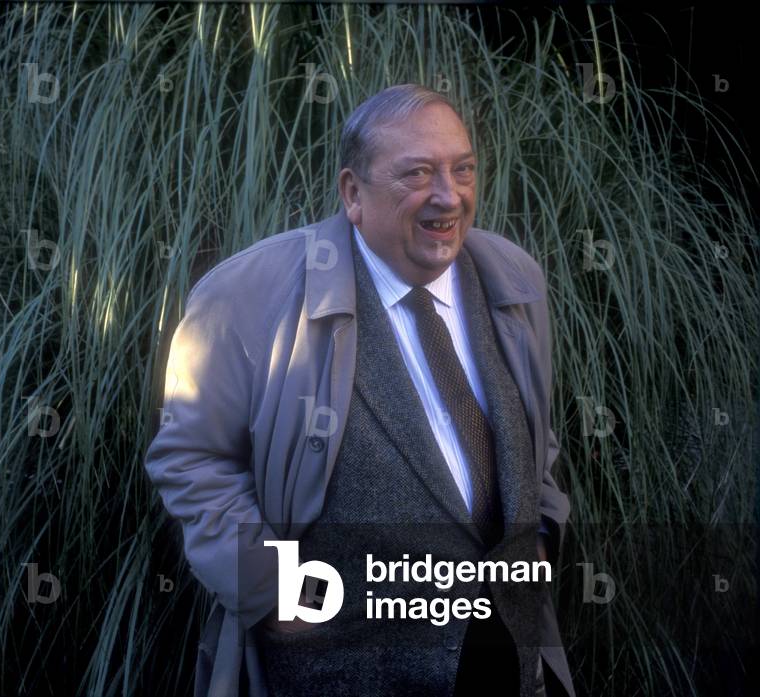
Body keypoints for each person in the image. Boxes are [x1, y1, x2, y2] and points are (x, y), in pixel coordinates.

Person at [144, 84, 574, 697]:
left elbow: (535, 433)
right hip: (337, 670)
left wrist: (539, 534)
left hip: (502, 657)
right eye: (418, 173)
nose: (448, 196)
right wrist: (275, 590)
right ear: (352, 192)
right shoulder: (247, 295)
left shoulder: (513, 276)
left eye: (463, 169)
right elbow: (190, 458)